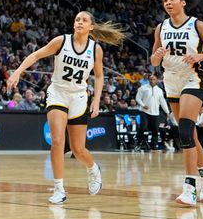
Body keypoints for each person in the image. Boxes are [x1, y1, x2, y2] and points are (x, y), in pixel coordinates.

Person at [8, 11, 124, 204]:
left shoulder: (95, 49)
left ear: (91, 27)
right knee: (57, 141)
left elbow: (100, 76)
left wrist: (96, 100)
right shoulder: (61, 41)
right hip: (58, 93)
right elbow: (36, 54)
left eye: (84, 20)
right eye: (77, 19)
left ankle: (93, 169)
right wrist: (18, 72)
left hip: (79, 97)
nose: (79, 22)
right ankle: (59, 188)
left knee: (78, 150)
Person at [151, 0, 203, 206]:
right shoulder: (161, 27)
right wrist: (155, 57)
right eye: (164, 0)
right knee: (188, 133)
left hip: (192, 78)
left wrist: (200, 56)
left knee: (184, 130)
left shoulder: (197, 25)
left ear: (183, 2)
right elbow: (154, 61)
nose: (167, 2)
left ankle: (190, 188)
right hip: (170, 79)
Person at [135, 74, 170, 151]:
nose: (152, 80)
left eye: (154, 79)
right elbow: (137, 98)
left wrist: (167, 111)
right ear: (148, 80)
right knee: (143, 128)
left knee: (155, 130)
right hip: (145, 112)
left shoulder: (159, 90)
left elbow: (162, 102)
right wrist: (143, 105)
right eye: (150, 79)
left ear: (156, 80)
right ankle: (138, 143)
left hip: (155, 113)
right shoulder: (143, 88)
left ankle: (153, 146)